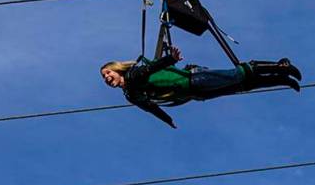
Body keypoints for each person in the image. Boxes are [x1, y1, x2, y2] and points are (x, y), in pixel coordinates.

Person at [101, 46, 301, 128]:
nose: (107, 78)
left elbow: (151, 68)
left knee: (238, 75)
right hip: (195, 93)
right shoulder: (130, 94)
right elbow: (151, 108)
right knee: (240, 85)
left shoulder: (134, 75)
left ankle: (280, 66)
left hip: (193, 80)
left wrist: (171, 58)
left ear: (116, 70)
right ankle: (282, 79)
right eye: (104, 78)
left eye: (108, 73)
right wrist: (168, 120)